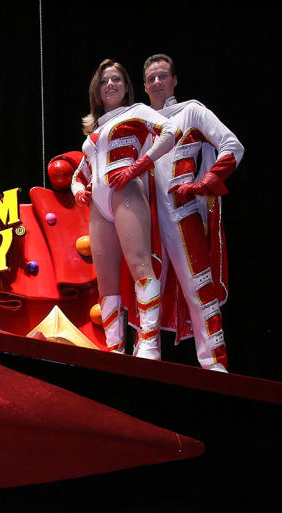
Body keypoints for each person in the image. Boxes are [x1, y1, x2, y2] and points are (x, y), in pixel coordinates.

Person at [143, 53, 243, 371]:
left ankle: (214, 362)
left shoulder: (192, 111)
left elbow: (232, 145)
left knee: (199, 285)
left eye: (163, 76)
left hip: (181, 211)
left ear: (174, 80)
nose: (157, 82)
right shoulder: (138, 121)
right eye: (151, 78)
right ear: (144, 86)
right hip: (144, 218)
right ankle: (146, 355)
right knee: (146, 284)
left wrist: (205, 182)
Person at [70, 59, 175, 358]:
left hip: (126, 189)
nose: (110, 85)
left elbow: (169, 132)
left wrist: (139, 166)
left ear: (126, 86)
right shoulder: (92, 133)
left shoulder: (137, 112)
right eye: (104, 82)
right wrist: (80, 192)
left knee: (141, 265)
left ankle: (149, 344)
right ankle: (115, 348)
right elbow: (79, 175)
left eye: (116, 79)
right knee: (106, 282)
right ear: (97, 91)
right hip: (101, 204)